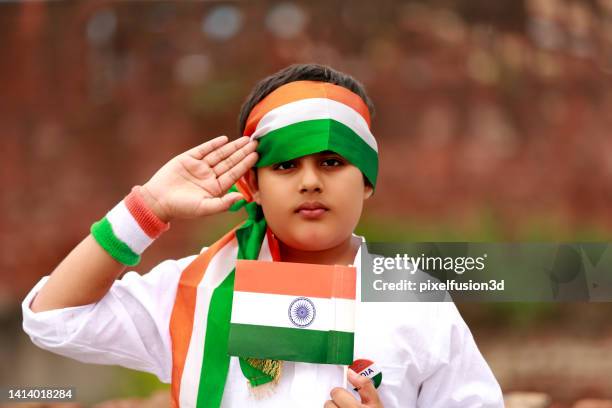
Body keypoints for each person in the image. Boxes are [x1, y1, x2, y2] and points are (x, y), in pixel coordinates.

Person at [22, 63, 504, 407]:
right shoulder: (196, 291)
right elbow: (53, 319)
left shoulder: (416, 303)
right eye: (286, 164)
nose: (310, 180)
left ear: (368, 181)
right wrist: (146, 209)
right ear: (252, 183)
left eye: (332, 162)